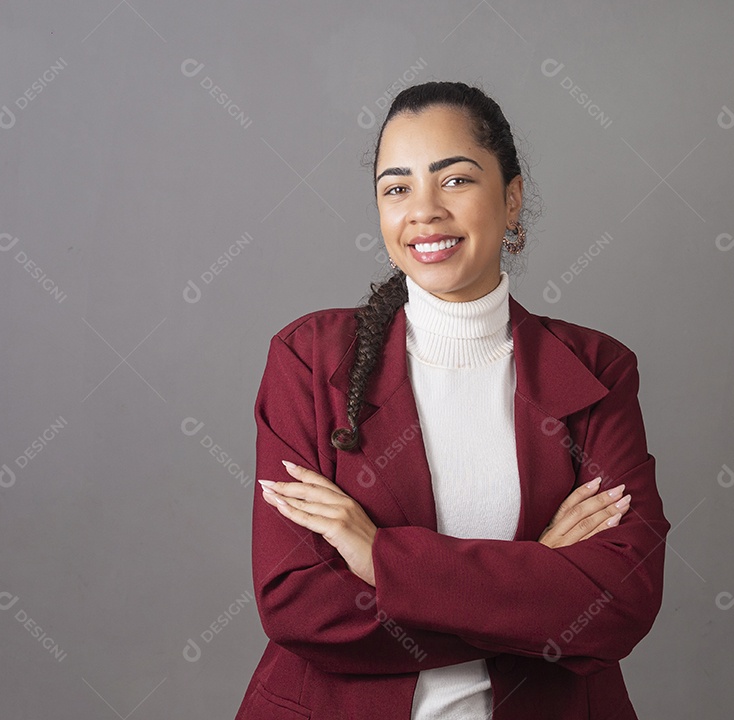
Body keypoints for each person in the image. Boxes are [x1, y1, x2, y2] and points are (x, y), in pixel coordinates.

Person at [234, 81, 670, 720]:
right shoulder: (309, 359)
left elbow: (621, 604)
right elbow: (297, 606)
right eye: (396, 188)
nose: (424, 211)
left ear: (512, 198)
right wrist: (536, 574)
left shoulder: (597, 370)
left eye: (456, 180)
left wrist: (379, 558)